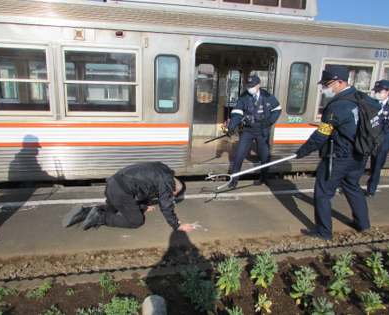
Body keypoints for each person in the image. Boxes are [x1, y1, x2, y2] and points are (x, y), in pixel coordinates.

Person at [296, 65, 371, 240]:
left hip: (338, 157)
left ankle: (323, 232)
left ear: (339, 82)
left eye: (327, 84)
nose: (324, 88)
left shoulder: (337, 106)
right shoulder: (361, 98)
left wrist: (303, 151)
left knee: (322, 194)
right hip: (359, 155)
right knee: (353, 187)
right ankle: (363, 224)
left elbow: (321, 134)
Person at [62, 162, 195, 233]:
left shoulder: (162, 169)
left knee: (111, 209)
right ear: (173, 190)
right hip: (122, 191)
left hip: (113, 184)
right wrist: (176, 225)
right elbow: (165, 205)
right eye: (173, 196)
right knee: (136, 220)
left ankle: (83, 213)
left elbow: (142, 188)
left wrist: (142, 207)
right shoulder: (167, 183)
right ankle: (99, 218)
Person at [226, 75, 282, 188]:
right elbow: (237, 113)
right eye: (248, 86)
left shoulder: (267, 96)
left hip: (262, 130)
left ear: (259, 85)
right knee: (239, 154)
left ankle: (264, 178)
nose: (250, 88)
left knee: (265, 155)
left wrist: (270, 121)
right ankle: (234, 179)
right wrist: (231, 127)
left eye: (252, 86)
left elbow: (277, 110)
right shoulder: (244, 97)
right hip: (248, 130)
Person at [363, 80, 389, 198]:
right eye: (376, 91)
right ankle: (351, 185)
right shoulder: (372, 103)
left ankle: (371, 189)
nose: (378, 93)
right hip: (369, 137)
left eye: (380, 91)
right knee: (360, 162)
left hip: (384, 138)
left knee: (377, 165)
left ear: (388, 91)